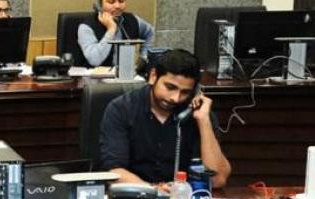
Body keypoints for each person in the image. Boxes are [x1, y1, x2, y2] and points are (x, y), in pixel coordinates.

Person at [99, 49, 231, 190]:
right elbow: (114, 173)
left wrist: (204, 121)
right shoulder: (122, 109)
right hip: (135, 197)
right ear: (153, 76)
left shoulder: (199, 113)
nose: (175, 98)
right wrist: (154, 190)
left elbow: (218, 180)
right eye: (170, 87)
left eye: (185, 92)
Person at [77, 0, 156, 67]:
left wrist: (144, 56)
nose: (117, 6)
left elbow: (151, 32)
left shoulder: (132, 19)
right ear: (99, 4)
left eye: (121, 1)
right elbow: (94, 60)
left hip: (126, 75)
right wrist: (111, 30)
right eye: (111, 1)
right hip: (95, 78)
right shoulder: (86, 27)